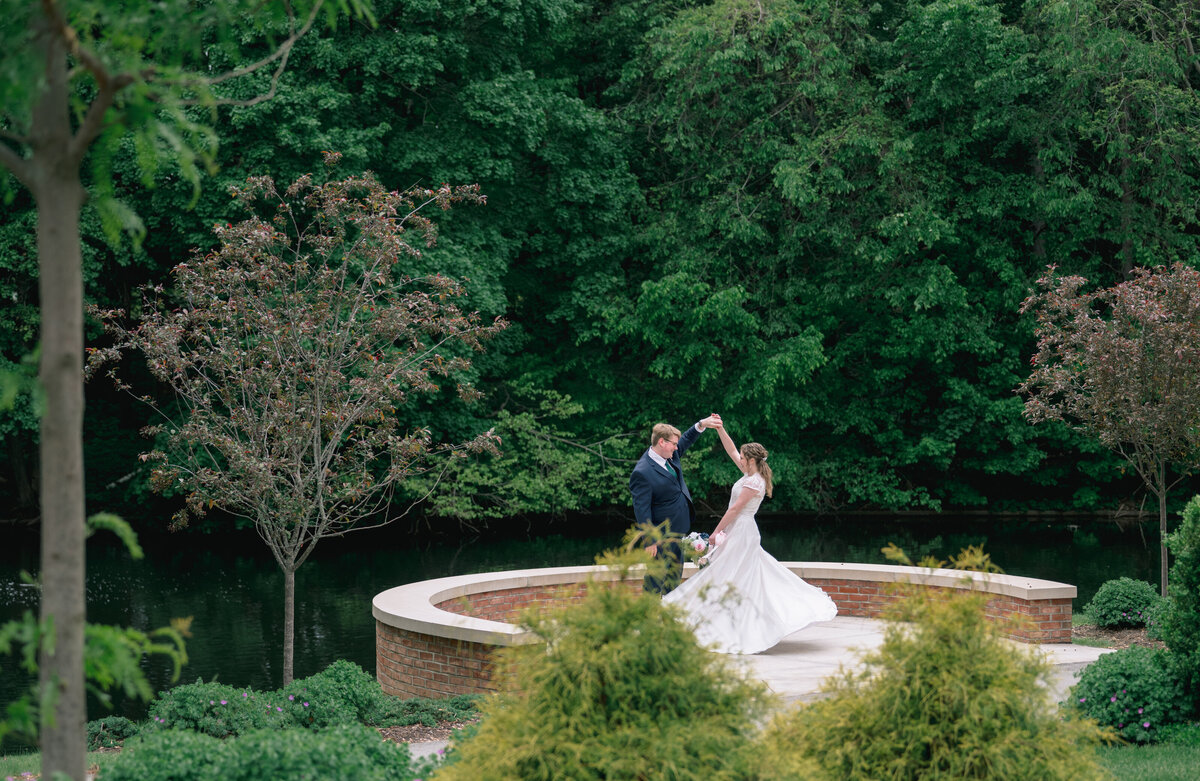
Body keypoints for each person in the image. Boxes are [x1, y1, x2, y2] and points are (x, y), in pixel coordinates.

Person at [663, 419, 837, 653]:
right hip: (738, 529)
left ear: (752, 460)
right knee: (729, 575)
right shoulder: (748, 472)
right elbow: (731, 450)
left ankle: (738, 625)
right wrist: (720, 429)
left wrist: (715, 533)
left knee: (729, 575)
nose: (740, 460)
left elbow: (734, 510)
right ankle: (721, 618)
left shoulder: (755, 481)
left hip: (743, 531)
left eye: (744, 458)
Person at [629, 415, 722, 595]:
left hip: (678, 532)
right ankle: (648, 616)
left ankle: (669, 617)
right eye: (673, 443)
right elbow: (642, 509)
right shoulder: (642, 472)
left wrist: (701, 425)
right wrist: (650, 541)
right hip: (661, 536)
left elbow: (686, 439)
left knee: (674, 579)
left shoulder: (670, 456)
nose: (676, 447)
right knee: (655, 580)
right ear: (662, 442)